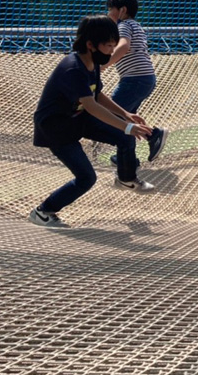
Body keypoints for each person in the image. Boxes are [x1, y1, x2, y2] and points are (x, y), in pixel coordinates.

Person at [29, 16, 161, 228]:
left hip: (77, 119)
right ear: (90, 45)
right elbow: (91, 106)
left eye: (113, 45)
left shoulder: (92, 64)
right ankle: (43, 211)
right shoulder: (73, 68)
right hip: (57, 130)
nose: (111, 51)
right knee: (86, 178)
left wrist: (126, 115)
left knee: (125, 137)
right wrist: (128, 126)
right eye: (108, 45)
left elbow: (98, 94)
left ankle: (126, 178)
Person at [104, 0, 166, 159]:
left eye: (110, 9)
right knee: (126, 117)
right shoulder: (135, 25)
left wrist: (106, 64)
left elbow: (124, 46)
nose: (108, 13)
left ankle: (130, 153)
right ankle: (150, 138)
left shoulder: (123, 26)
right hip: (145, 79)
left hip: (135, 80)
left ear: (122, 10)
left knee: (113, 114)